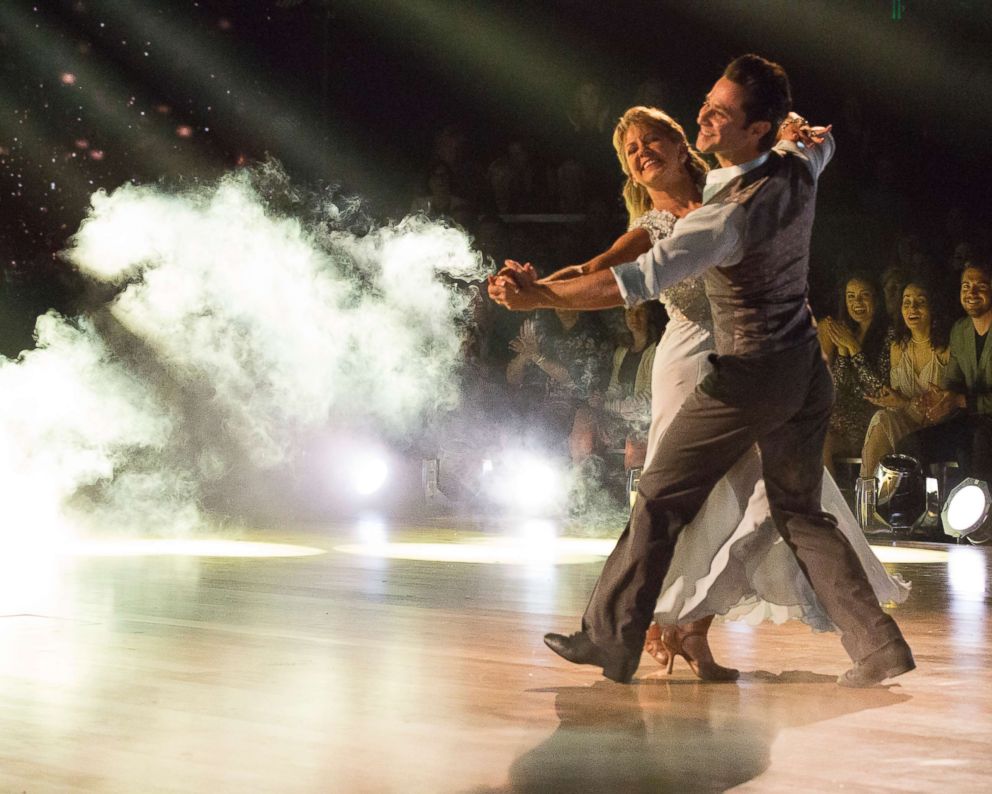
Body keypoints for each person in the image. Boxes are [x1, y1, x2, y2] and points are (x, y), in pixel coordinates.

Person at [489, 54, 914, 687]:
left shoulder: (727, 213)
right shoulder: (795, 166)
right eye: (707, 103)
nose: (705, 113)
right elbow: (820, 144)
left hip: (750, 372)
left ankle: (611, 639)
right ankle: (878, 644)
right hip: (802, 368)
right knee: (798, 510)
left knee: (660, 496)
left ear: (755, 131)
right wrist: (803, 133)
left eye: (721, 111)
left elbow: (637, 281)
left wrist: (540, 298)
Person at [897, 262, 992, 486]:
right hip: (972, 422)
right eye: (966, 286)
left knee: (978, 442)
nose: (972, 293)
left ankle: (981, 516)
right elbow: (953, 382)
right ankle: (930, 513)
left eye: (980, 286)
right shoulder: (961, 330)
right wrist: (940, 398)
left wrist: (959, 400)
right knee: (911, 445)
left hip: (984, 427)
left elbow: (961, 398)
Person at [860, 277, 949, 479]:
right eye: (907, 302)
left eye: (920, 302)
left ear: (933, 307)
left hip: (938, 428)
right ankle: (868, 496)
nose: (912, 308)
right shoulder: (898, 348)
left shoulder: (945, 349)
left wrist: (903, 403)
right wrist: (889, 399)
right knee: (881, 417)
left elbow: (943, 406)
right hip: (908, 424)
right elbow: (899, 402)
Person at [818, 273, 892, 475]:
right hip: (841, 420)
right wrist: (842, 351)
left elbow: (878, 389)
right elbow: (841, 385)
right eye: (851, 296)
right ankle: (828, 503)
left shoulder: (890, 334)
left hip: (872, 417)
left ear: (876, 298)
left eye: (863, 295)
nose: (856, 302)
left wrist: (854, 348)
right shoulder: (849, 332)